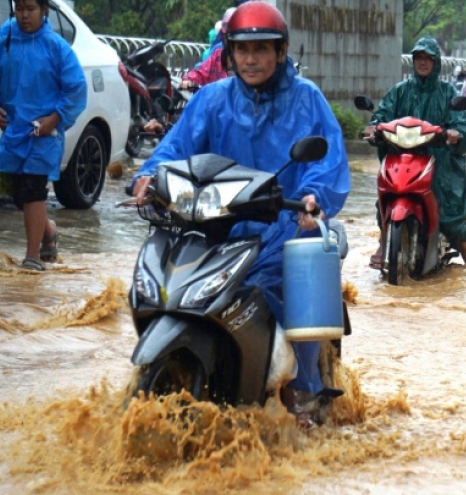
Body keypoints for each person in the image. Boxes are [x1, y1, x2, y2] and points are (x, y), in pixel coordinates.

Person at [131, 1, 351, 425]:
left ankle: (303, 391)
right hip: (214, 224)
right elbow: (174, 149)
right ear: (229, 53)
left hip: (282, 226)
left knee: (299, 267)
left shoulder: (307, 99)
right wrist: (147, 177)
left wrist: (312, 198)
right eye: (242, 50)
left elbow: (327, 160)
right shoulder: (212, 99)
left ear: (281, 52)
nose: (250, 59)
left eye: (261, 49)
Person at [0, 0, 87, 271]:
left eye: (30, 8)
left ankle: (31, 257)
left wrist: (54, 119)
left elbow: (75, 90)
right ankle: (48, 230)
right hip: (14, 130)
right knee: (20, 193)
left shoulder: (56, 47)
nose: (24, 15)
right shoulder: (3, 40)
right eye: (19, 8)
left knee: (34, 188)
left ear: (44, 10)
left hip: (44, 131)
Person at [364, 37, 466, 267]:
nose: (422, 62)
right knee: (386, 198)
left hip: (439, 162)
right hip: (403, 158)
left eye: (428, 58)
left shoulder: (447, 92)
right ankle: (385, 241)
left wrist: (454, 133)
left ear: (436, 62)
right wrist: (374, 128)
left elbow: (462, 123)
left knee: (453, 217)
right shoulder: (400, 91)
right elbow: (381, 115)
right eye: (419, 58)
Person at [181, 7, 236, 91]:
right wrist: (189, 80)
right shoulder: (218, 55)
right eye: (226, 34)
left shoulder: (249, 59)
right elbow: (200, 72)